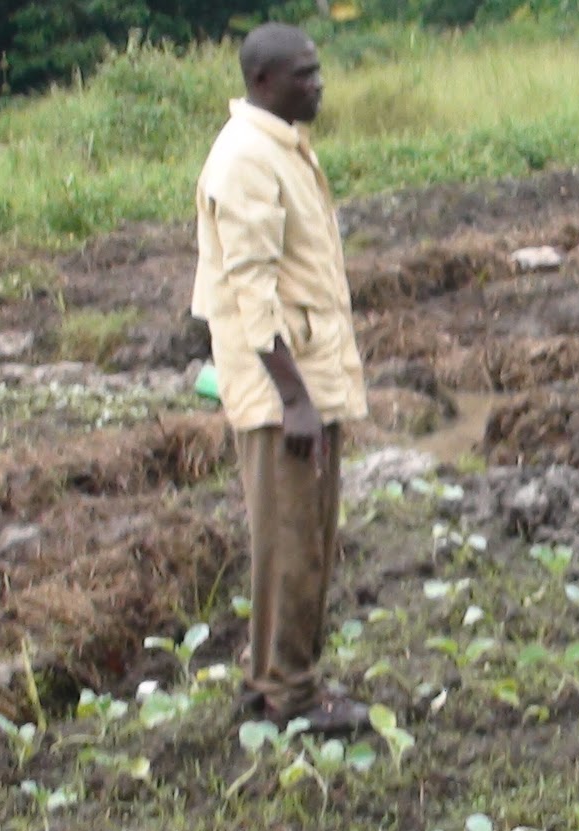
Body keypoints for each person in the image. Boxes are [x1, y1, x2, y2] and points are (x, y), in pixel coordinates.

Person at [191, 23, 369, 734]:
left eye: (318, 70)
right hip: (280, 393)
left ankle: (276, 678)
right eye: (305, 73)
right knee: (292, 543)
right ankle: (289, 695)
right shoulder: (245, 161)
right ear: (264, 82)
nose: (318, 84)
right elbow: (250, 289)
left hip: (306, 378)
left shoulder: (281, 148)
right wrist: (294, 399)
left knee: (305, 540)